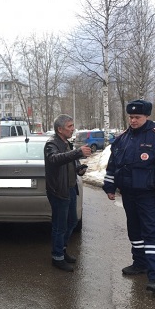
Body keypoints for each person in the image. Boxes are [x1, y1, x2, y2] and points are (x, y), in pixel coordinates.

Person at [103, 99, 155, 293]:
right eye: (131, 117)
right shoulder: (123, 138)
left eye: (137, 117)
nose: (133, 120)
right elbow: (113, 165)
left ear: (147, 116)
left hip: (150, 196)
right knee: (134, 231)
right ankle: (140, 264)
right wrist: (109, 186)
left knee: (151, 233)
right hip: (128, 194)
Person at [44, 114, 91, 271]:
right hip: (59, 191)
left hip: (70, 188)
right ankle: (57, 257)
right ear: (60, 129)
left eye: (72, 125)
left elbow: (71, 161)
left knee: (72, 221)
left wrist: (79, 168)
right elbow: (55, 159)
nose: (73, 129)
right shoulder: (51, 144)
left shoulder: (66, 143)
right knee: (60, 226)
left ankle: (62, 251)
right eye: (70, 126)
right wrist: (78, 152)